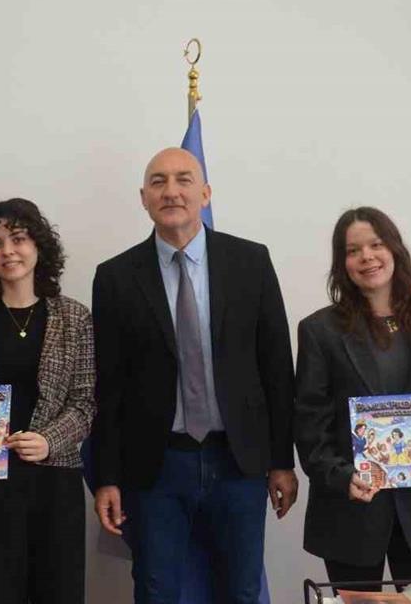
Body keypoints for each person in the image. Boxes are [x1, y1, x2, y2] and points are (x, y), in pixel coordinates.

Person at [91, 147, 298, 603]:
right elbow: (109, 387)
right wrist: (106, 476)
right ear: (143, 197)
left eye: (184, 179)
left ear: (205, 194)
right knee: (157, 591)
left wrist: (283, 460)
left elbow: (277, 369)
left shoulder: (251, 262)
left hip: (238, 461)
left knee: (241, 592)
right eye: (158, 182)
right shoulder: (115, 277)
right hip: (156, 466)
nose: (171, 191)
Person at [294, 207, 411, 589]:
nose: (366, 257)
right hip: (350, 512)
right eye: (353, 251)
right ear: (342, 263)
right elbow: (310, 424)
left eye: (376, 245)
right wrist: (341, 477)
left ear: (395, 249)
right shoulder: (319, 331)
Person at [0, 198, 95, 603]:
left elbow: (85, 402)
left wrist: (48, 440)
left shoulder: (75, 316)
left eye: (19, 239)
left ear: (39, 246)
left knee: (59, 593)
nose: (8, 251)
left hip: (55, 482)